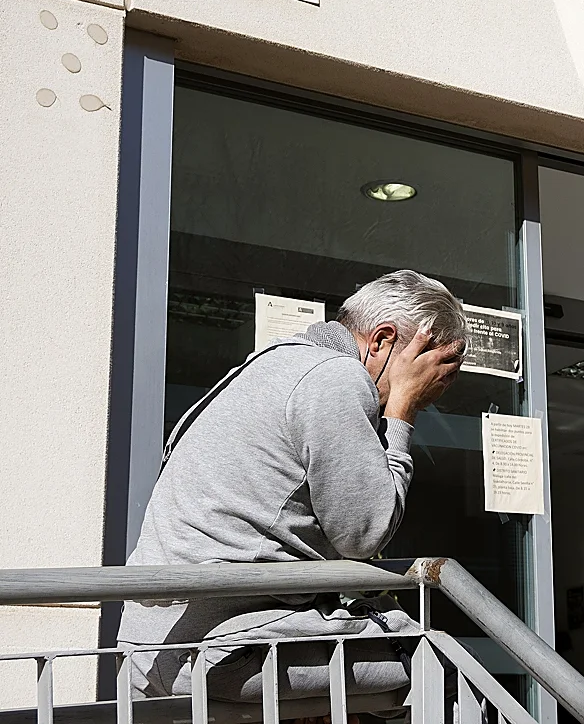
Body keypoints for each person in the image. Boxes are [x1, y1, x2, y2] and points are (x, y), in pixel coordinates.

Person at [118, 270, 468, 703]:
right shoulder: (335, 377)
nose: (434, 392)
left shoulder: (271, 363)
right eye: (436, 373)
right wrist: (402, 410)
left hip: (151, 653)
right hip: (226, 652)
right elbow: (364, 533)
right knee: (440, 663)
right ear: (381, 340)